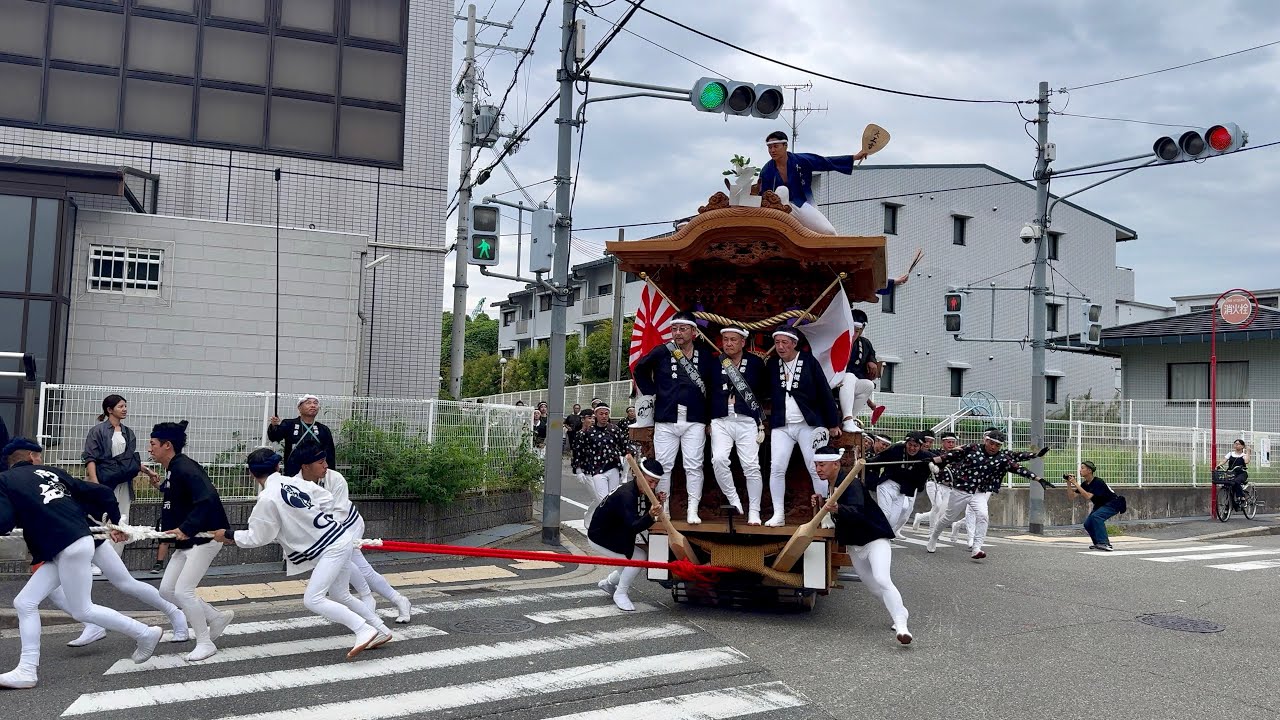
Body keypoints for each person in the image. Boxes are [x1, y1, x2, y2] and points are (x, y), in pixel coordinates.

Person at [0, 437, 163, 688]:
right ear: (31, 457)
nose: (41, 459)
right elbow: (101, 491)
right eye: (38, 455)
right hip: (73, 543)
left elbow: (5, 521)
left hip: (67, 547)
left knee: (83, 610)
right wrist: (115, 523)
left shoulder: (5, 480)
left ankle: (145, 632)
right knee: (25, 602)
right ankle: (26, 670)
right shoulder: (54, 472)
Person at [214, 449, 393, 659]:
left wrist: (229, 535)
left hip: (331, 547)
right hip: (339, 537)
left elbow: (258, 537)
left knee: (313, 599)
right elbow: (327, 498)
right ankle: (381, 629)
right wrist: (311, 517)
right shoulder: (294, 482)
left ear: (252, 474)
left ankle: (363, 629)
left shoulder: (267, 499)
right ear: (277, 467)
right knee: (339, 595)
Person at [140, 420, 233, 662]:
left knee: (183, 590)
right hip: (188, 540)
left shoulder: (185, 467)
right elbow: (180, 496)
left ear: (167, 445)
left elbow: (208, 497)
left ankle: (205, 642)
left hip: (205, 537)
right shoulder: (174, 468)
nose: (150, 449)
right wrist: (159, 483)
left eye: (153, 444)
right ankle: (215, 617)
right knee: (167, 590)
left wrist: (186, 527)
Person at [295, 443, 414, 624]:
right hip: (324, 532)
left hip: (347, 525)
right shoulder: (295, 485)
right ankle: (394, 599)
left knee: (354, 564)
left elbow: (340, 514)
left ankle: (375, 598)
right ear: (305, 466)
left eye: (325, 460)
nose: (326, 465)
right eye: (321, 462)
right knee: (350, 565)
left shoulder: (336, 479)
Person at [810, 446, 911, 644]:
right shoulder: (831, 485)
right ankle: (901, 612)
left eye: (822, 464)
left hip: (874, 539)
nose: (818, 469)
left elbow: (856, 511)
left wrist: (837, 507)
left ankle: (901, 626)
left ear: (836, 464)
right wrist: (823, 502)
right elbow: (835, 513)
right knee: (874, 588)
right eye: (816, 465)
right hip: (854, 545)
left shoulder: (851, 483)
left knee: (882, 579)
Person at [632, 310, 716, 523]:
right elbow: (640, 369)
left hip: (695, 419)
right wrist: (652, 393)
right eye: (674, 329)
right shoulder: (661, 352)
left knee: (694, 465)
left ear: (694, 331)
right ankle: (664, 509)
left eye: (682, 329)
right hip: (666, 417)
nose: (678, 333)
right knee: (664, 466)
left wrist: (710, 418)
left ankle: (692, 510)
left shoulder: (705, 355)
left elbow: (714, 386)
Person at [926, 429, 1052, 559]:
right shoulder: (972, 448)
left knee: (983, 516)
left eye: (997, 445)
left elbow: (1018, 467)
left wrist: (1038, 478)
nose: (993, 447)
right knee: (948, 518)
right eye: (991, 443)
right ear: (986, 440)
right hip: (961, 489)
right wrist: (933, 460)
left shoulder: (1002, 458)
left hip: (979, 492)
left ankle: (976, 548)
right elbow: (950, 456)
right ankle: (934, 537)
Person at [764, 326, 842, 527]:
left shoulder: (809, 362)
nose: (780, 347)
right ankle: (778, 514)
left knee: (816, 468)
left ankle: (824, 515)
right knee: (777, 468)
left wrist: (833, 423)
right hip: (782, 424)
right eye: (777, 343)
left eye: (785, 343)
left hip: (808, 424)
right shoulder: (772, 364)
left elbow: (824, 391)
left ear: (794, 343)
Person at [587, 457, 665, 611]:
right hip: (602, 536)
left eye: (656, 483)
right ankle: (620, 593)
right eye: (650, 481)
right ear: (639, 475)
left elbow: (640, 514)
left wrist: (656, 502)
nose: (653, 486)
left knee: (630, 562)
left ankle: (609, 583)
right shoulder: (626, 495)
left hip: (614, 532)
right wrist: (651, 515)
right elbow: (633, 526)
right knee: (638, 559)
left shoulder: (635, 488)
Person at [756, 130, 868, 235]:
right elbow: (762, 196)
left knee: (829, 232)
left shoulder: (801, 160)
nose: (772, 150)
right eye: (769, 147)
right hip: (778, 211)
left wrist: (854, 158)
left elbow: (826, 162)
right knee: (781, 190)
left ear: (785, 146)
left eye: (775, 146)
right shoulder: (766, 170)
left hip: (801, 202)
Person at [709, 325, 768, 522]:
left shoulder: (755, 363)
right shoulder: (715, 363)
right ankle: (732, 497)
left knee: (751, 466)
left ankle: (754, 510)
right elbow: (706, 392)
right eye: (725, 340)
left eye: (733, 340)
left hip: (747, 420)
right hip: (721, 419)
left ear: (743, 342)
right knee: (718, 459)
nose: (728, 343)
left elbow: (764, 390)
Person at [82, 395, 142, 559]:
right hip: (104, 482)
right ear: (109, 410)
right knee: (101, 519)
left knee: (121, 518)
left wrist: (148, 472)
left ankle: (114, 559)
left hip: (123, 482)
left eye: (125, 406)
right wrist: (94, 483)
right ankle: (97, 560)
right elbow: (90, 458)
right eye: (120, 406)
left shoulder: (128, 432)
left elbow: (129, 460)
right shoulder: (98, 431)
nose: (124, 409)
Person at [868, 431, 932, 536]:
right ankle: (875, 537)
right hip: (887, 486)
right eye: (909, 445)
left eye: (915, 446)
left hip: (902, 491)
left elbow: (939, 460)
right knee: (885, 514)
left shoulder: (924, 456)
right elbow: (878, 460)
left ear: (920, 446)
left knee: (893, 521)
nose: (912, 448)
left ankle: (876, 533)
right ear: (906, 443)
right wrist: (864, 463)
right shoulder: (896, 449)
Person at [572, 403, 634, 502]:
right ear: (595, 415)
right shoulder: (588, 432)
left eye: (606, 413)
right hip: (597, 468)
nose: (604, 416)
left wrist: (633, 461)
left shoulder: (614, 429)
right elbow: (579, 451)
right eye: (601, 414)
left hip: (613, 467)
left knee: (613, 498)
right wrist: (578, 469)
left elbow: (624, 447)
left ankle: (607, 517)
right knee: (603, 499)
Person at [837, 309, 887, 432]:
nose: (854, 333)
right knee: (848, 376)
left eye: (857, 330)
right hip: (833, 381)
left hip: (852, 383)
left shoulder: (864, 343)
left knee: (868, 385)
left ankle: (850, 420)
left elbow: (871, 354)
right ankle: (848, 418)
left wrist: (872, 361)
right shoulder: (837, 339)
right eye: (852, 329)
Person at [268, 394, 337, 477]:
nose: (313, 405)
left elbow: (330, 454)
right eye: (308, 403)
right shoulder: (289, 424)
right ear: (299, 408)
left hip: (316, 473)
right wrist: (274, 426)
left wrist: (330, 474)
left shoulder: (323, 429)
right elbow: (274, 437)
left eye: (315, 403)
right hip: (293, 472)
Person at [1064, 461, 1126, 551]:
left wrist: (1075, 483)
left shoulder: (1098, 482)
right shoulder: (1085, 484)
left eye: (1082, 468)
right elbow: (1071, 497)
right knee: (1088, 524)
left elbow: (1088, 496)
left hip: (1113, 503)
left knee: (1096, 516)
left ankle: (1104, 543)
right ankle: (1098, 543)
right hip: (1101, 505)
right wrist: (1069, 483)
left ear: (1089, 470)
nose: (1080, 470)